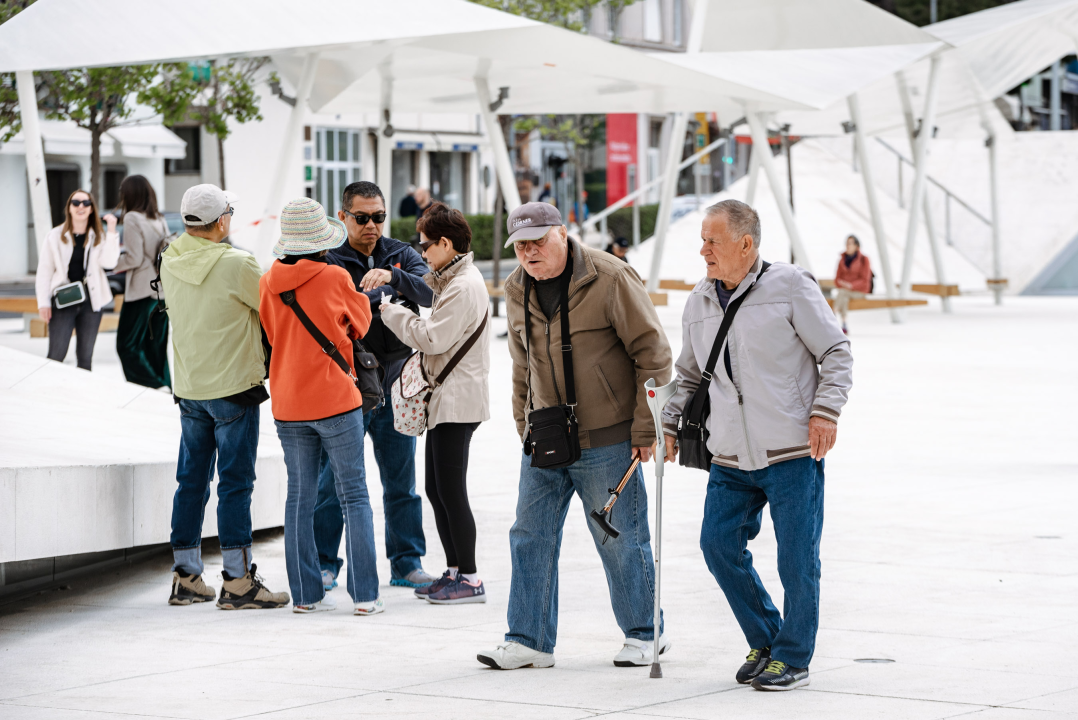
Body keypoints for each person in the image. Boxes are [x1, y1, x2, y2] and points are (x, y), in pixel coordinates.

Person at [661, 200, 853, 691]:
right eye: (702, 239)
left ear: (746, 244)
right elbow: (687, 375)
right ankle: (767, 638)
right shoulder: (699, 301)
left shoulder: (790, 286)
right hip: (728, 454)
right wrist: (666, 423)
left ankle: (793, 657)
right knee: (717, 545)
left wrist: (825, 411)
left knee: (796, 560)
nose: (703, 249)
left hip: (790, 450)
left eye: (713, 240)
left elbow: (835, 351)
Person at [477, 202, 673, 670]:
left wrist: (648, 427)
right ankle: (528, 640)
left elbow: (654, 354)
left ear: (563, 234)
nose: (529, 252)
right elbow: (521, 363)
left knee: (620, 538)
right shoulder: (516, 287)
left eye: (538, 241)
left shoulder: (611, 277)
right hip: (544, 436)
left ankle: (646, 633)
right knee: (529, 535)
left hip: (608, 439)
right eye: (521, 245)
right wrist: (524, 424)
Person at [160, 184, 288, 610]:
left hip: (190, 388)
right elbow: (272, 309)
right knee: (235, 483)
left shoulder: (170, 259)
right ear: (221, 221)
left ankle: (186, 577)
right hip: (233, 387)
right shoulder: (237, 263)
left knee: (191, 482)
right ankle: (237, 580)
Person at [259, 198, 383, 615]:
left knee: (299, 497)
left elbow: (271, 334)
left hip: (289, 401)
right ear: (321, 241)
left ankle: (306, 596)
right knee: (354, 495)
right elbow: (361, 324)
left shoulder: (267, 280)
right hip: (335, 398)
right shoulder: (335, 275)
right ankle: (365, 596)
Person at [313, 181, 438, 591]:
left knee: (401, 482)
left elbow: (431, 291)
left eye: (379, 217)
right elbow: (339, 309)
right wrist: (390, 293)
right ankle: (326, 563)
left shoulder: (400, 253)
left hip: (400, 378)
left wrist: (393, 278)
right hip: (347, 381)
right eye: (362, 217)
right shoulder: (328, 259)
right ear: (343, 216)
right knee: (333, 481)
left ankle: (406, 562)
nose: (372, 225)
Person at [381, 202, 491, 605]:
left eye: (426, 245)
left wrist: (389, 312)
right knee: (435, 487)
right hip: (450, 398)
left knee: (451, 490)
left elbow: (431, 339)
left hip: (458, 400)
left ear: (446, 243)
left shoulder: (463, 286)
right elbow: (430, 294)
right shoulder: (455, 278)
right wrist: (397, 279)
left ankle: (472, 578)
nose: (422, 252)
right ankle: (455, 570)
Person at [34, 189, 119, 370]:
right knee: (56, 355)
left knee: (85, 358)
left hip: (91, 302)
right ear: (69, 208)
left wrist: (111, 231)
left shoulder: (99, 236)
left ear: (91, 209)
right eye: (76, 203)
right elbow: (44, 272)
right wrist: (43, 302)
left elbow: (109, 262)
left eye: (86, 203)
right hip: (64, 300)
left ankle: (82, 397)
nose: (81, 206)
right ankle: (48, 393)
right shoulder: (55, 236)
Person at [112, 175, 172, 388]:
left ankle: (153, 385)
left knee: (126, 344)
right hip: (162, 290)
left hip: (141, 291)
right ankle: (165, 387)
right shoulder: (159, 218)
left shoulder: (132, 218)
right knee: (156, 345)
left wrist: (111, 263)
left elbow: (134, 258)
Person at [832, 235, 873, 335]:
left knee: (842, 293)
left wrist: (851, 285)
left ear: (856, 246)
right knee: (844, 297)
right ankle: (844, 324)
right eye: (847, 243)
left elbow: (865, 279)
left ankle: (832, 316)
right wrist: (842, 283)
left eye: (850, 243)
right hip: (844, 292)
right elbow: (837, 278)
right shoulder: (842, 260)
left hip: (860, 291)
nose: (848, 246)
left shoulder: (864, 259)